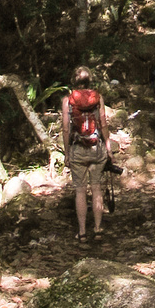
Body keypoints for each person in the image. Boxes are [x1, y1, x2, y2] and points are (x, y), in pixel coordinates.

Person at [61, 66, 110, 240]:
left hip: (77, 149)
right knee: (96, 188)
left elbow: (66, 129)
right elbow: (103, 124)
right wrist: (109, 147)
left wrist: (67, 153)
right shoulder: (98, 98)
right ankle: (97, 229)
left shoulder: (68, 100)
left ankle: (82, 232)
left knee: (80, 191)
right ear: (89, 80)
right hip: (96, 148)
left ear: (74, 81)